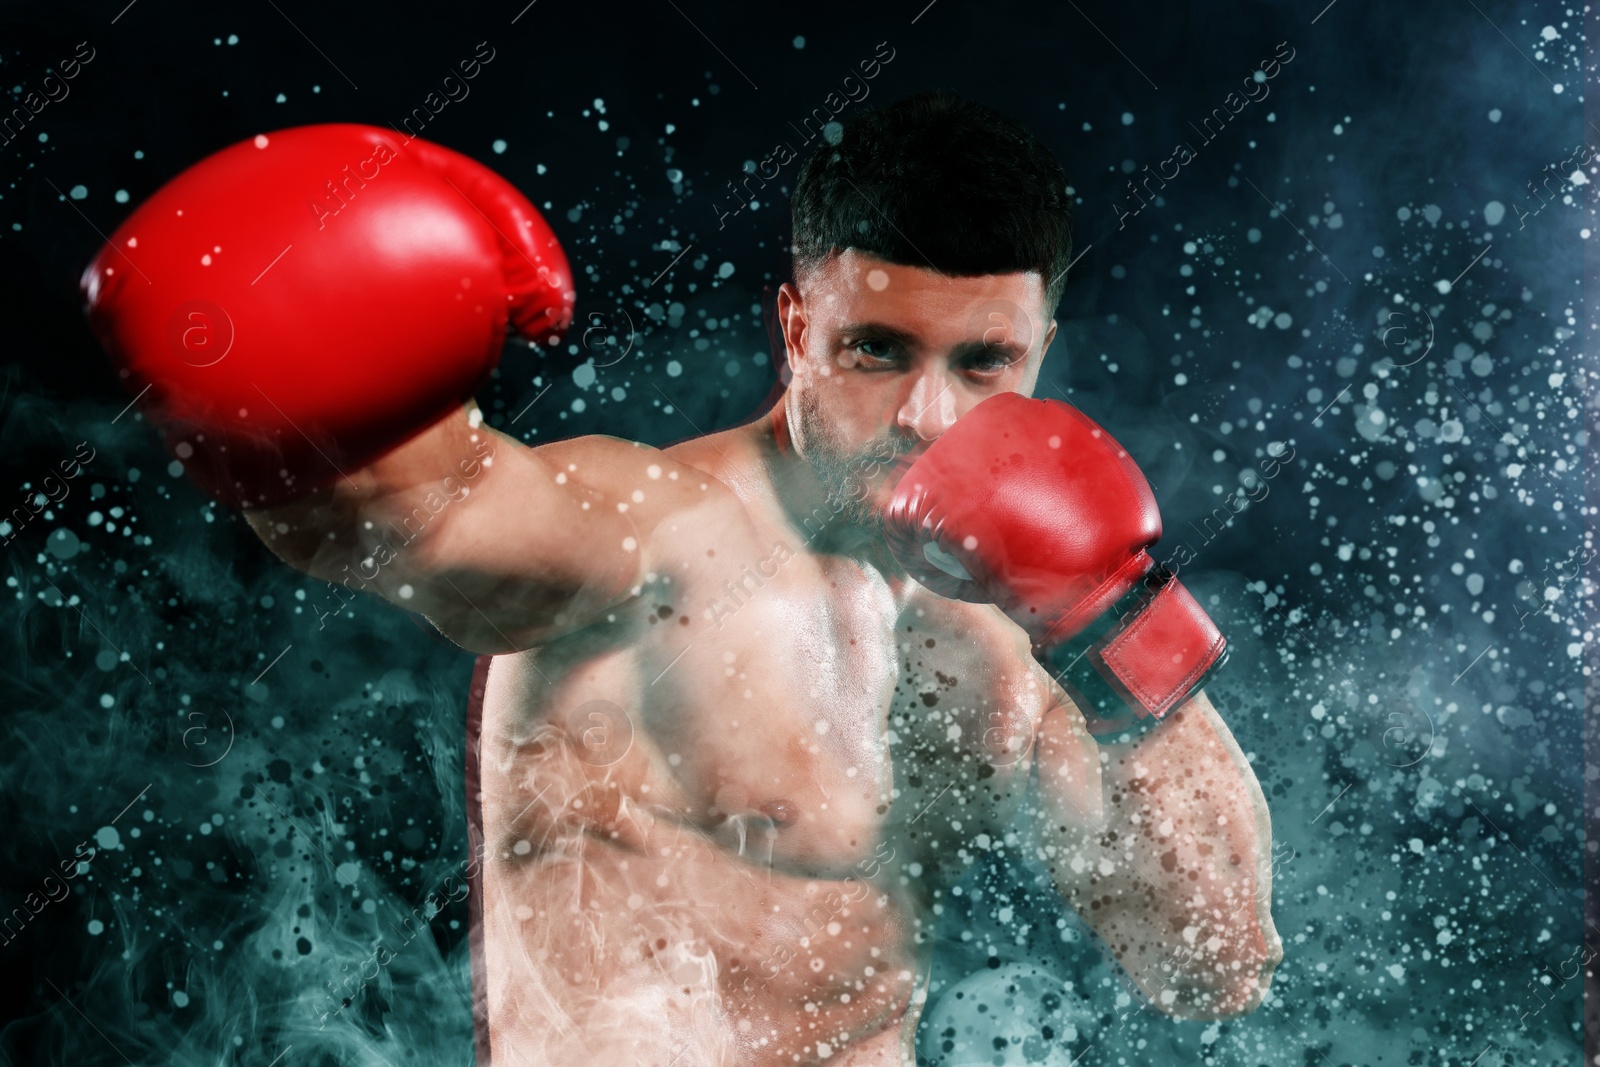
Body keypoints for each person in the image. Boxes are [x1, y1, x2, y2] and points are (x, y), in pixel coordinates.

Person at [81, 90, 1282, 1066]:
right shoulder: (649, 532)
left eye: (984, 362)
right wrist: (253, 342)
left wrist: (1121, 617)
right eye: (876, 349)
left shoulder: (1031, 623)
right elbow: (392, 515)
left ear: (1039, 354)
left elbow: (1208, 963)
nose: (927, 413)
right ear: (794, 327)